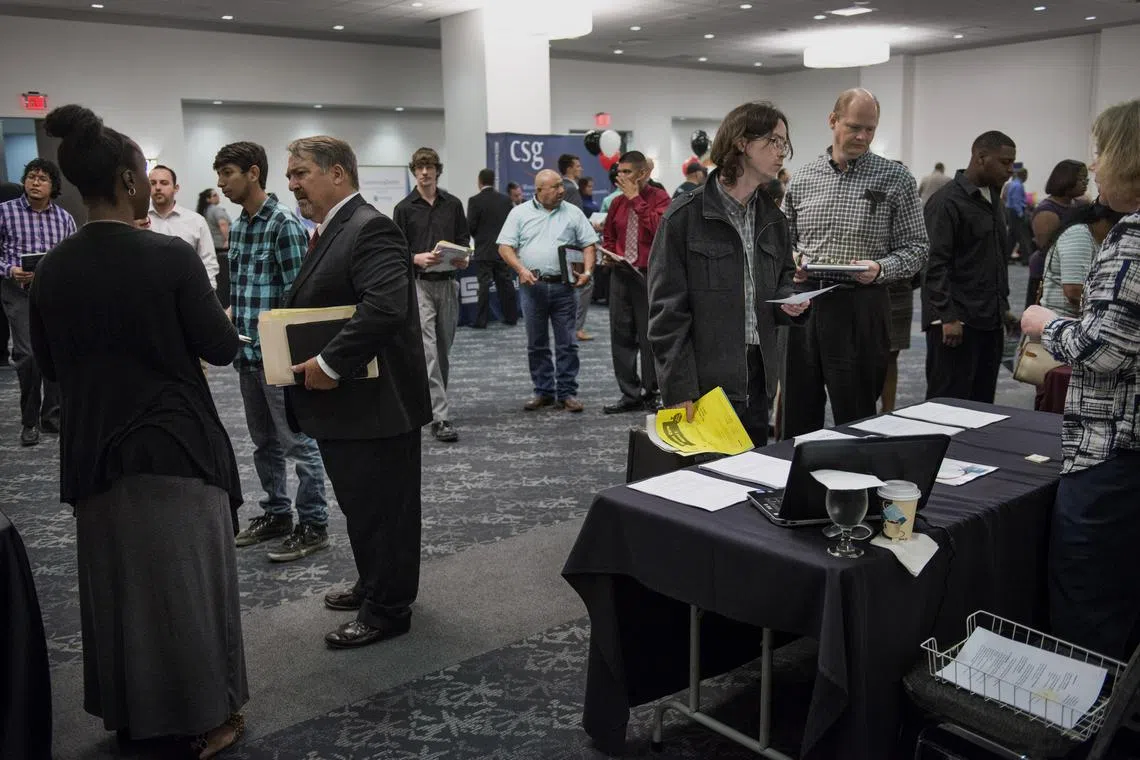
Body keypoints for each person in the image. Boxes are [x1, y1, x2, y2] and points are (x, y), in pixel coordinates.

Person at [29, 103, 246, 758]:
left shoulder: (52, 271)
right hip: (173, 444)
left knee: (118, 592)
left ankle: (134, 713)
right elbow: (220, 348)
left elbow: (47, 366)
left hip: (93, 449)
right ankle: (213, 716)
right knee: (190, 591)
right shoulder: (170, 257)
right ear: (129, 183)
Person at [284, 135, 431, 649]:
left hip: (379, 405)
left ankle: (389, 609)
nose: (292, 181)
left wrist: (328, 362)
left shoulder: (372, 228)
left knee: (385, 511)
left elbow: (385, 308)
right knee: (363, 506)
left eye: (301, 172)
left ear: (338, 174)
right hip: (352, 404)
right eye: (292, 173)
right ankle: (375, 585)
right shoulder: (332, 229)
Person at [1020, 99, 1140, 660]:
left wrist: (1048, 325)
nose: (1093, 166)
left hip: (1113, 450)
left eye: (1099, 153)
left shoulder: (1132, 238)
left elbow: (1104, 349)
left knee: (1087, 600)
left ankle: (1073, 727)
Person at [648, 101, 810, 445]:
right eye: (775, 142)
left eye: (785, 144)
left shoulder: (773, 219)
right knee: (703, 487)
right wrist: (678, 388)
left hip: (759, 376)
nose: (783, 153)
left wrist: (790, 301)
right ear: (741, 143)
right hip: (705, 382)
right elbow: (666, 314)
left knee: (750, 478)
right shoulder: (683, 218)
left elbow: (782, 279)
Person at [781, 88, 928, 438]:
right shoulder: (803, 177)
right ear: (833, 121)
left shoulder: (895, 178)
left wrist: (881, 269)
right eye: (854, 127)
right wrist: (793, 263)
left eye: (870, 129)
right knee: (798, 412)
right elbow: (784, 242)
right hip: (805, 304)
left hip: (862, 304)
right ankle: (796, 488)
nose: (863, 136)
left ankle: (856, 487)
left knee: (857, 413)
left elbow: (918, 248)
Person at [214, 141, 331, 561]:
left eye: (228, 173)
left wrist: (288, 358)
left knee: (298, 443)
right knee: (263, 444)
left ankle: (314, 523)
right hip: (245, 356)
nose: (221, 183)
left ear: (253, 173)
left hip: (277, 357)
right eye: (219, 174)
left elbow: (300, 297)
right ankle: (277, 513)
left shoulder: (282, 222)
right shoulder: (241, 224)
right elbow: (244, 292)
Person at [921, 131, 1016, 403]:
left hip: (989, 320)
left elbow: (991, 258)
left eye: (1012, 163)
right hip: (956, 324)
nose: (1010, 170)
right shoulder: (947, 201)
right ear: (981, 157)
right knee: (948, 406)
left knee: (982, 405)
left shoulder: (993, 198)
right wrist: (947, 317)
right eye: (1005, 162)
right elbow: (933, 264)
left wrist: (1003, 308)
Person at [497, 168, 597, 412]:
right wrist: (520, 269)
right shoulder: (519, 213)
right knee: (536, 343)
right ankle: (543, 391)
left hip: (565, 287)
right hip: (533, 288)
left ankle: (567, 393)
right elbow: (504, 247)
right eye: (556, 187)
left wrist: (587, 271)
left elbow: (589, 244)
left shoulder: (573, 212)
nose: (562, 190)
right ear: (540, 190)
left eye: (561, 185)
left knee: (568, 343)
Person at [393, 147, 469, 443]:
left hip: (449, 283)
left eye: (429, 167)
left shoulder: (453, 204)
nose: (425, 172)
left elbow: (463, 240)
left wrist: (464, 258)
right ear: (414, 171)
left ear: (437, 170)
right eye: (420, 168)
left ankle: (433, 402)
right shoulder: (404, 207)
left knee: (442, 350)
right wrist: (415, 258)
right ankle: (440, 416)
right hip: (420, 284)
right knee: (428, 351)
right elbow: (397, 250)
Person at [0, 158, 74, 446]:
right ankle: (29, 421)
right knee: (28, 356)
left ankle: (51, 417)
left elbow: (70, 256)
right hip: (17, 291)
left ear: (53, 186)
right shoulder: (5, 212)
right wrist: (9, 270)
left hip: (53, 293)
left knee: (54, 354)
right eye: (31, 177)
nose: (35, 182)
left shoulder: (64, 218)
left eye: (42, 178)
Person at [601, 150, 670, 414]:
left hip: (648, 276)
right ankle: (629, 393)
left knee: (649, 336)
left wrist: (636, 199)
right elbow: (609, 235)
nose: (621, 177)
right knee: (620, 335)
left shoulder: (660, 198)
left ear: (643, 173)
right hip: (621, 274)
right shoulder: (617, 203)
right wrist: (608, 255)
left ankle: (652, 391)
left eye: (627, 172)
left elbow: (661, 230)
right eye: (619, 172)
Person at [1040, 200, 1124, 319]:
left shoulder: (1099, 240)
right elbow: (1073, 291)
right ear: (1104, 221)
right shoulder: (1080, 235)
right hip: (1062, 319)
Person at [1026, 160, 1089, 308]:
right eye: (1081, 179)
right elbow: (1049, 250)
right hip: (1046, 273)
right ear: (1065, 180)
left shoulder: (1080, 205)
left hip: (1072, 270)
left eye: (1087, 179)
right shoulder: (1047, 211)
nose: (1085, 183)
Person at [147, 165, 219, 288]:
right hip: (148, 293)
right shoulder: (137, 220)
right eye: (153, 183)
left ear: (176, 188)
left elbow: (208, 262)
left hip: (188, 295)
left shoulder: (196, 221)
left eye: (164, 183)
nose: (158, 187)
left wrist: (205, 293)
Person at [467, 168, 517, 328]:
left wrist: (480, 238)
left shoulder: (474, 200)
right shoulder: (505, 200)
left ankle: (481, 321)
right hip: (502, 250)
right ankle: (511, 317)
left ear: (479, 181)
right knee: (506, 284)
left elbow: (471, 226)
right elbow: (511, 225)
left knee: (483, 286)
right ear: (493, 181)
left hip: (483, 250)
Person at [198, 187, 232, 307]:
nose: (218, 196)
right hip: (223, 250)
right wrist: (228, 239)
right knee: (225, 282)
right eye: (214, 195)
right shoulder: (216, 210)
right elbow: (223, 224)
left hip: (214, 250)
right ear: (208, 199)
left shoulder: (204, 212)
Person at [1004, 166, 1033, 263]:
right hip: (1016, 212)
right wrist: (1021, 214)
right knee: (1023, 236)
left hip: (1011, 211)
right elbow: (1016, 202)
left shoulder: (1013, 184)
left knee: (1012, 237)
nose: (1027, 177)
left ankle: (1006, 257)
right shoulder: (1018, 185)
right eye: (1026, 175)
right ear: (1023, 175)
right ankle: (1026, 259)